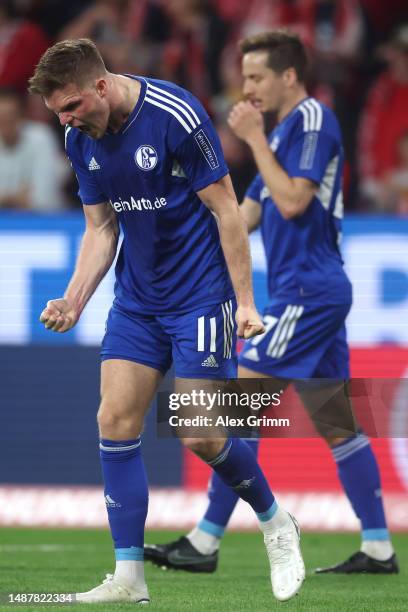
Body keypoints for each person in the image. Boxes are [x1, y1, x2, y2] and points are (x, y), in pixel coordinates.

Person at [29, 38, 305, 604]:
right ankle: (128, 578)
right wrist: (74, 300)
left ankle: (276, 522)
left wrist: (246, 302)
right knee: (114, 418)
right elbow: (101, 231)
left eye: (73, 106)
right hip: (137, 300)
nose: (67, 120)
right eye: (59, 113)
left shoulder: (174, 115)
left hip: (201, 296)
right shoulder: (80, 139)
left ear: (101, 86)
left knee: (200, 431)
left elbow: (227, 210)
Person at [144, 30, 399, 576]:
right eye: (245, 77)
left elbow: (292, 200)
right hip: (310, 292)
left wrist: (255, 140)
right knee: (339, 426)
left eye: (257, 76)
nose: (248, 87)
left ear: (289, 76)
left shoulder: (310, 120)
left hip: (308, 292)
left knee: (233, 406)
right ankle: (379, 548)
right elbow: (247, 215)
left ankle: (206, 541)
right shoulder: (284, 136)